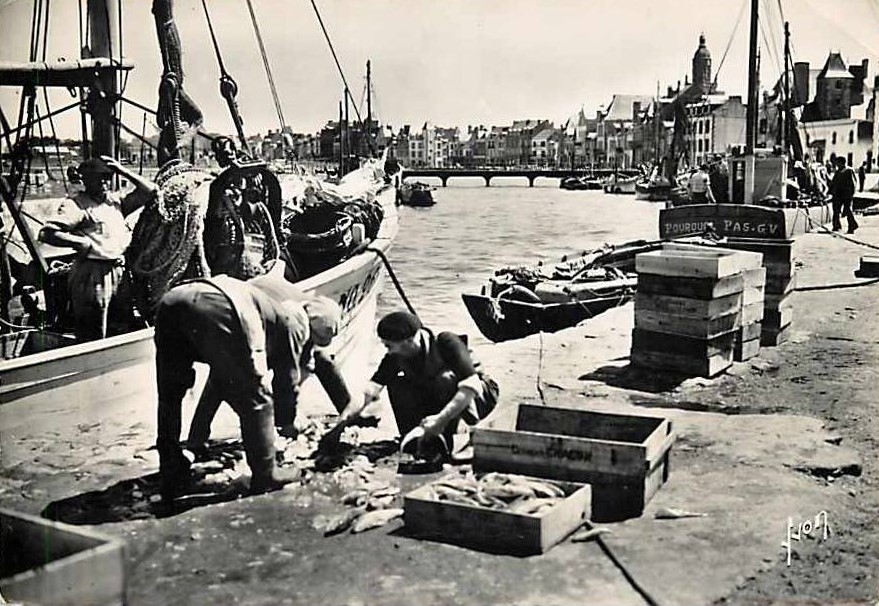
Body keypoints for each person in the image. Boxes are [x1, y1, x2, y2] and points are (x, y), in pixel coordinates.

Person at [152, 268, 343, 500]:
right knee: (259, 399)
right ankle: (266, 474)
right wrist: (286, 425)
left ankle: (171, 467)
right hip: (219, 306)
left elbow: (218, 384)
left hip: (174, 299)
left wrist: (197, 440)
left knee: (170, 394)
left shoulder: (276, 306)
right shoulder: (295, 322)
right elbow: (286, 382)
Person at [185, 265, 351, 452]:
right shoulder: (291, 319)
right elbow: (286, 379)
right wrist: (286, 423)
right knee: (223, 378)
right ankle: (197, 439)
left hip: (260, 312)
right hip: (242, 316)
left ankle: (349, 412)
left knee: (320, 359)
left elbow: (305, 365)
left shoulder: (310, 310)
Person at [332, 311, 499, 460]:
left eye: (389, 346)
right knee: (398, 384)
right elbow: (370, 391)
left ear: (409, 340)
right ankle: (415, 438)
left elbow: (471, 385)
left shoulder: (446, 342)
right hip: (438, 396)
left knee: (445, 378)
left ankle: (462, 437)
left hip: (478, 397)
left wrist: (440, 420)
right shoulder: (395, 357)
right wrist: (343, 420)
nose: (388, 351)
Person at [38, 156, 158, 340]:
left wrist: (121, 169)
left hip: (119, 270)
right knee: (93, 331)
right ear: (86, 180)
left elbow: (151, 190)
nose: (103, 182)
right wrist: (80, 243)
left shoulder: (116, 202)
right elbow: (47, 233)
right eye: (97, 177)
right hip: (92, 272)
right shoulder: (76, 205)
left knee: (121, 327)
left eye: (107, 177)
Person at [829, 156, 858, 234]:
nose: (836, 165)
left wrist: (851, 194)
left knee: (848, 210)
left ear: (842, 163)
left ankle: (852, 225)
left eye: (837, 163)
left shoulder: (849, 171)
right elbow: (833, 182)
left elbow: (853, 183)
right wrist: (830, 191)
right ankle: (836, 226)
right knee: (836, 210)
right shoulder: (838, 172)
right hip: (837, 195)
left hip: (846, 195)